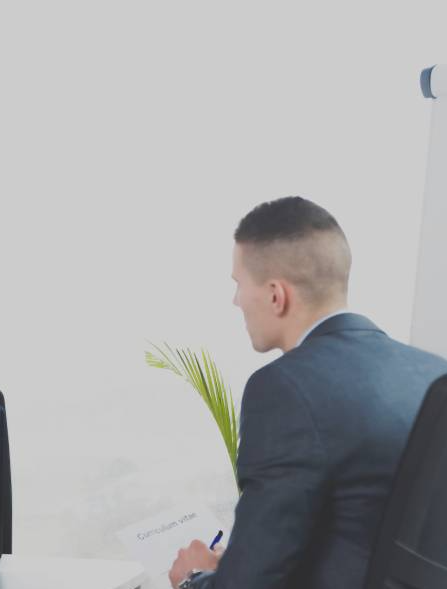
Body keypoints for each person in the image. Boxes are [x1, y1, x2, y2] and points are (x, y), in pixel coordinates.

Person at [169, 197, 447, 589]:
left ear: (275, 295)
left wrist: (192, 578)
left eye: (238, 284)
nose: (235, 301)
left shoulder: (284, 388)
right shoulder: (433, 371)